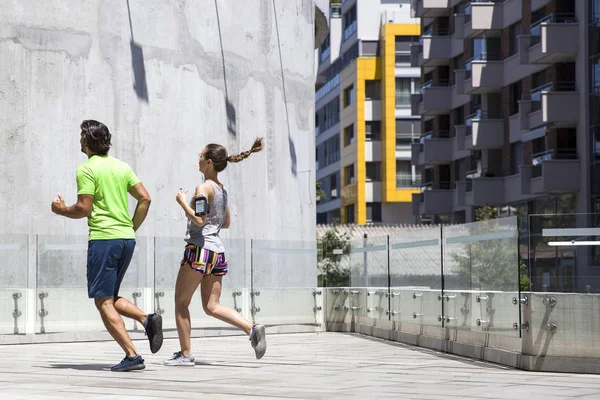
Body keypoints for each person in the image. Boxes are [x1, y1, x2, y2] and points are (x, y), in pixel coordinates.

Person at [51, 120, 163, 372]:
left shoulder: (87, 169)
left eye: (82, 135)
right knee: (109, 296)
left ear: (89, 140)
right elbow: (145, 198)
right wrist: (131, 227)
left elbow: (83, 208)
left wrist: (60, 210)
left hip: (104, 239)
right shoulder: (122, 167)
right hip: (126, 240)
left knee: (102, 301)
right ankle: (147, 320)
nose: (80, 140)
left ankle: (132, 355)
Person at [165, 138, 267, 366]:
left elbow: (199, 220)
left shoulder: (203, 188)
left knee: (181, 303)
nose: (198, 160)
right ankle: (251, 329)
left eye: (201, 156)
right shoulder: (222, 191)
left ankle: (185, 354)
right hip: (217, 253)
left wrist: (183, 202)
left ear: (209, 162)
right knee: (212, 306)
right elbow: (226, 222)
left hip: (199, 250)